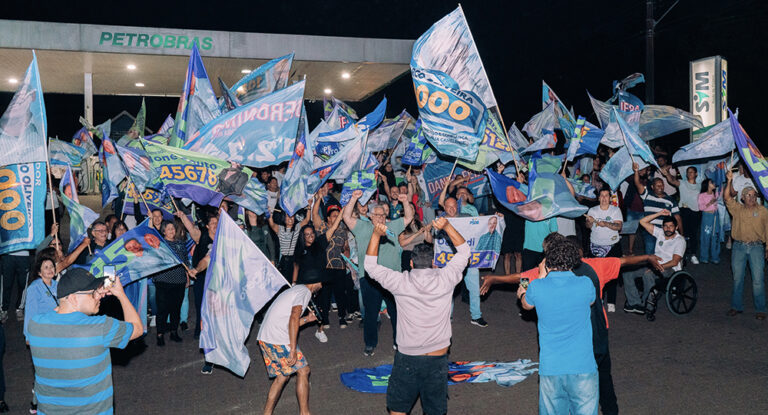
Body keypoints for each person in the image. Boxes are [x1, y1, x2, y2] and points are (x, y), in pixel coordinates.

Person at [482, 234, 663, 415]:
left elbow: (521, 281)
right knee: (604, 380)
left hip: (553, 365)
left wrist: (500, 280)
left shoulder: (538, 283)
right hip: (591, 348)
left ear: (548, 257)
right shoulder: (588, 279)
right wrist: (647, 257)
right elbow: (621, 263)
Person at [365, 217, 468, 415]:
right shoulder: (446, 278)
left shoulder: (400, 281)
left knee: (398, 410)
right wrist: (447, 226)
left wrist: (376, 235)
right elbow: (464, 251)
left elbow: (370, 266)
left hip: (408, 358)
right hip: (438, 357)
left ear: (411, 263)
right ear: (434, 263)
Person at [27, 268, 142, 414]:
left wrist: (67, 302)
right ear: (74, 298)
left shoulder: (36, 324)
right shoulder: (101, 328)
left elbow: (60, 311)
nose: (98, 296)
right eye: (93, 293)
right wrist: (121, 294)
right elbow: (137, 328)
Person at [518, 238, 597, 415]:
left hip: (552, 367)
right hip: (583, 366)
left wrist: (538, 277)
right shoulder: (585, 283)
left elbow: (526, 304)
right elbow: (591, 301)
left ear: (548, 261)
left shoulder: (538, 286)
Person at [343, 188, 413, 356]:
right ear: (370, 216)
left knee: (396, 312)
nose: (381, 218)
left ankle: (399, 342)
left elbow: (409, 217)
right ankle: (370, 344)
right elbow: (346, 217)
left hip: (392, 278)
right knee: (371, 313)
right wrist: (353, 199)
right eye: (378, 215)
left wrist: (405, 201)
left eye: (383, 215)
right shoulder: (362, 227)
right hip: (370, 279)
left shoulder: (393, 226)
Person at [256, 268, 324, 415]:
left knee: (282, 376)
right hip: (276, 338)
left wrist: (307, 319)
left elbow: (290, 322)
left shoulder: (297, 289)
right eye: (321, 282)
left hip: (266, 336)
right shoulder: (305, 292)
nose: (322, 285)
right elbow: (293, 318)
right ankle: (305, 413)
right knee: (303, 370)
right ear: (315, 281)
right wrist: (293, 350)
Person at [622, 210, 686, 314]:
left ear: (676, 227)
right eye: (665, 226)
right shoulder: (660, 233)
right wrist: (659, 213)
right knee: (627, 273)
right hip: (653, 264)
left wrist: (656, 267)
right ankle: (634, 303)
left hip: (669, 269)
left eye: (671, 226)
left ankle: (645, 303)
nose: (668, 229)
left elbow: (674, 262)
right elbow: (642, 222)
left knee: (648, 275)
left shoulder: (680, 241)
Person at [438, 190, 486, 327]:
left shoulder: (467, 217)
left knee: (475, 289)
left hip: (469, 260)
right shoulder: (440, 221)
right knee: (448, 291)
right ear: (444, 208)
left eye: (454, 206)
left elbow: (481, 228)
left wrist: (494, 218)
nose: (452, 209)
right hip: (449, 262)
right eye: (448, 206)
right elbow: (435, 243)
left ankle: (476, 316)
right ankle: (448, 317)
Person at [724, 170, 768, 320]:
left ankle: (761, 309)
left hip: (756, 247)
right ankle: (736, 306)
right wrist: (729, 180)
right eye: (748, 195)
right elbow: (727, 197)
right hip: (739, 248)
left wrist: (767, 247)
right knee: (738, 278)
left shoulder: (763, 211)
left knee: (758, 280)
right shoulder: (737, 209)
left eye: (753, 195)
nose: (751, 197)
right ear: (742, 198)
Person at [312, 199, 350, 329]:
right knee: (325, 294)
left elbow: (346, 247)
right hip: (325, 266)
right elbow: (315, 215)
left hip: (339, 266)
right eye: (334, 215)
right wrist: (317, 200)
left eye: (338, 215)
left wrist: (348, 257)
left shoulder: (342, 230)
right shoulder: (322, 227)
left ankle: (342, 317)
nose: (337, 217)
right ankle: (325, 319)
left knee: (340, 293)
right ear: (328, 218)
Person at [153, 219, 190, 346]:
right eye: (168, 229)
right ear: (163, 231)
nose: (171, 231)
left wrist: (187, 278)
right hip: (163, 281)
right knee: (162, 310)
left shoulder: (181, 244)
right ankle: (160, 334)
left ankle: (174, 332)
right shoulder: (160, 245)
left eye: (173, 228)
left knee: (176, 309)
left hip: (179, 281)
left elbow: (185, 262)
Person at [586, 188, 623, 312]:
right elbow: (587, 226)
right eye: (602, 195)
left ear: (610, 198)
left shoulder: (615, 210)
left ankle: (611, 302)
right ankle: (599, 299)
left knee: (612, 274)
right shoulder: (593, 210)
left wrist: (606, 224)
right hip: (595, 246)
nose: (604, 198)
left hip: (612, 246)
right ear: (598, 198)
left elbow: (619, 226)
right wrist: (590, 222)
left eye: (606, 196)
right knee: (596, 275)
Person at [633, 162, 684, 254]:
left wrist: (681, 234)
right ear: (652, 187)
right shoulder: (647, 195)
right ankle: (652, 267)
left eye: (662, 185)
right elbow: (637, 183)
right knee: (650, 247)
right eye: (658, 185)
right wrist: (636, 171)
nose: (661, 187)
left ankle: (661, 267)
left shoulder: (671, 200)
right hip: (649, 229)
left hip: (666, 230)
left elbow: (677, 218)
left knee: (665, 252)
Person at [268, 212, 310, 280]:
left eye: (292, 216)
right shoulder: (280, 228)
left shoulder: (297, 227)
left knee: (292, 282)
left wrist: (309, 208)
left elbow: (307, 219)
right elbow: (272, 224)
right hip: (283, 260)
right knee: (283, 281)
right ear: (284, 218)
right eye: (288, 216)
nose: (290, 218)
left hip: (293, 260)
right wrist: (269, 214)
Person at [676, 166, 702, 264]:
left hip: (695, 212)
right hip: (684, 211)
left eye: (691, 172)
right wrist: (667, 174)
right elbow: (672, 181)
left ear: (696, 174)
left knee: (694, 234)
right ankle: (682, 255)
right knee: (683, 233)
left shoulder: (699, 186)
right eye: (688, 172)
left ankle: (693, 255)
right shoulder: (682, 183)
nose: (689, 174)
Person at [698, 179, 721, 264]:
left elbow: (721, 193)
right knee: (705, 236)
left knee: (715, 236)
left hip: (715, 216)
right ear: (707, 184)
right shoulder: (702, 195)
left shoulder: (716, 193)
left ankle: (715, 257)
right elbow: (701, 208)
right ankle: (704, 257)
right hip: (707, 217)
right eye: (711, 182)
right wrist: (710, 203)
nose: (714, 183)